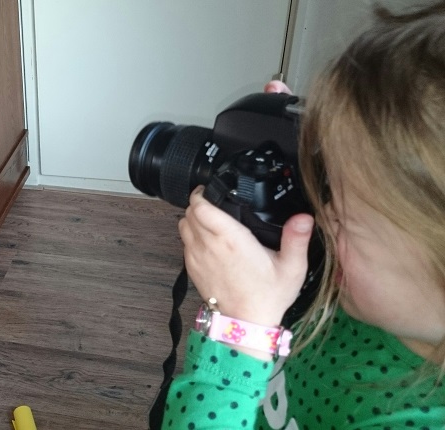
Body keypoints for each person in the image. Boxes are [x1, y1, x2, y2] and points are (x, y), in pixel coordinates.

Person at [162, 2, 445, 428]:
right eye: (325, 182)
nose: (322, 216)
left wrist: (239, 329)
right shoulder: (394, 300)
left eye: (344, 219)